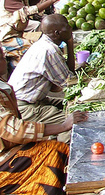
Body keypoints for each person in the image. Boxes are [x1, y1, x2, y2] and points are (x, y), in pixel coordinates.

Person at [0, 37, 87, 194]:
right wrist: (63, 126)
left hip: (6, 150)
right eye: (1, 58)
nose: (5, 60)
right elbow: (13, 130)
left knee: (53, 146)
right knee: (55, 152)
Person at [8, 14, 75, 142]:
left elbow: (61, 82)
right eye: (67, 26)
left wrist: (68, 42)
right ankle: (62, 147)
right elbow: (69, 82)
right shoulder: (49, 50)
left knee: (67, 104)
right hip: (25, 107)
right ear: (57, 33)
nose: (70, 27)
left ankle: (55, 137)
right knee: (74, 120)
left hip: (29, 100)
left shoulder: (43, 43)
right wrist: (70, 43)